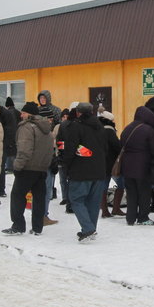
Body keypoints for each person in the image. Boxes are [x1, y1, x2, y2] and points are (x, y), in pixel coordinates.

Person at [2, 102, 54, 236]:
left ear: (29, 114)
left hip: (27, 167)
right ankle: (37, 227)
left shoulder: (27, 127)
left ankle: (18, 225)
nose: (21, 115)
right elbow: (50, 150)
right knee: (39, 198)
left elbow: (24, 149)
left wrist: (18, 166)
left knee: (17, 195)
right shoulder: (46, 128)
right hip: (41, 168)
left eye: (23, 113)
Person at [61, 102, 108, 242]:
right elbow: (105, 148)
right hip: (99, 170)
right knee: (93, 202)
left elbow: (70, 149)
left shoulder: (76, 127)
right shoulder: (100, 127)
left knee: (76, 199)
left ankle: (88, 229)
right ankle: (91, 228)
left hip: (81, 170)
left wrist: (65, 163)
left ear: (78, 113)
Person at [120, 106, 154, 226]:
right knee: (144, 192)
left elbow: (121, 144)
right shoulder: (148, 130)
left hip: (127, 166)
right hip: (143, 166)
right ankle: (143, 217)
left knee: (131, 192)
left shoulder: (127, 128)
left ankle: (130, 217)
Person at [99, 111, 124, 218]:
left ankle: (104, 210)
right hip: (112, 163)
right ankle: (116, 208)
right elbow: (117, 146)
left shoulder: (98, 130)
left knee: (103, 187)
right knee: (122, 184)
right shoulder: (110, 131)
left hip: (101, 162)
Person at [4, 97, 22, 174]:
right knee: (16, 151)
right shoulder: (18, 112)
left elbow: (10, 125)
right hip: (19, 134)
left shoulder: (8, 113)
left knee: (10, 152)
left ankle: (10, 167)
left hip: (10, 135)